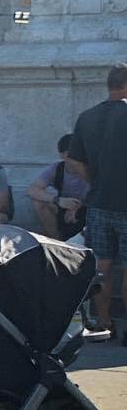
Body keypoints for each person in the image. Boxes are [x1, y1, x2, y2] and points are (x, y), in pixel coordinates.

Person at [69, 65, 127, 340]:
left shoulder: (87, 116)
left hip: (99, 203)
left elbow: (74, 161)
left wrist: (95, 179)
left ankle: (105, 325)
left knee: (101, 268)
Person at [27, 136, 90, 242]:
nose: (75, 157)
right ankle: (57, 242)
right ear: (62, 155)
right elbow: (32, 190)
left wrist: (76, 208)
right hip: (64, 206)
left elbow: (100, 193)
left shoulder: (90, 168)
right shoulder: (57, 169)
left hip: (88, 208)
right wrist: (58, 200)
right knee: (38, 202)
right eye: (71, 153)